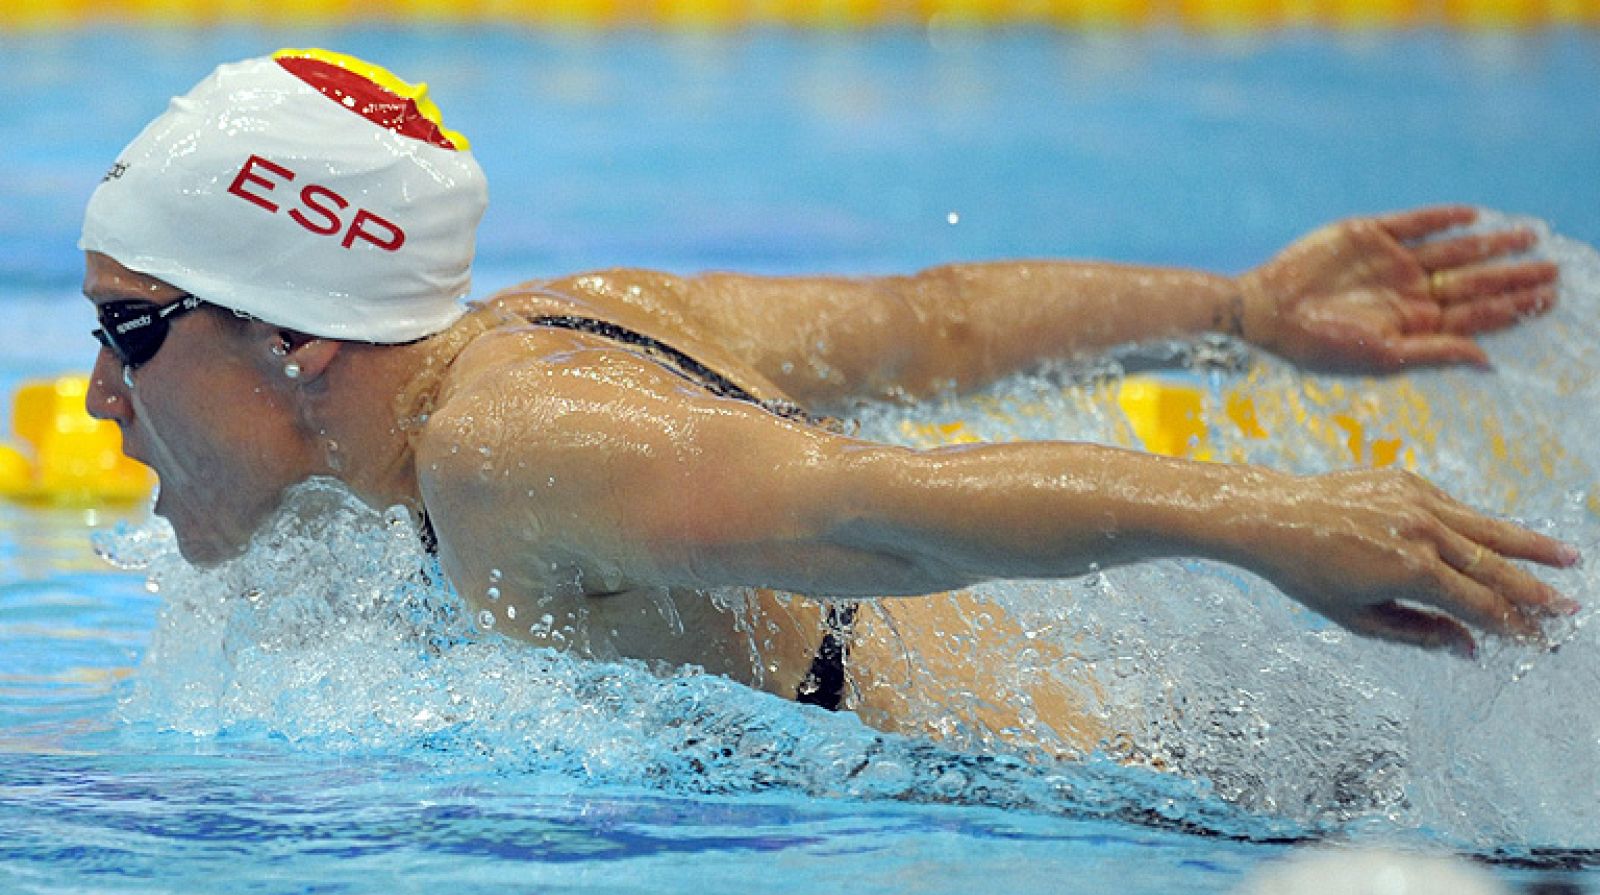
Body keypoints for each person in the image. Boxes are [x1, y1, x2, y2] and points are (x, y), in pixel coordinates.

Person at [81, 50, 1579, 755]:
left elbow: (877, 513)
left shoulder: (513, 451)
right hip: (1234, 749)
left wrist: (1261, 514)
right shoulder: (553, 322)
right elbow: (925, 325)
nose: (97, 397)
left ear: (303, 335)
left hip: (1184, 797)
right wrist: (1239, 314)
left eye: (132, 332)